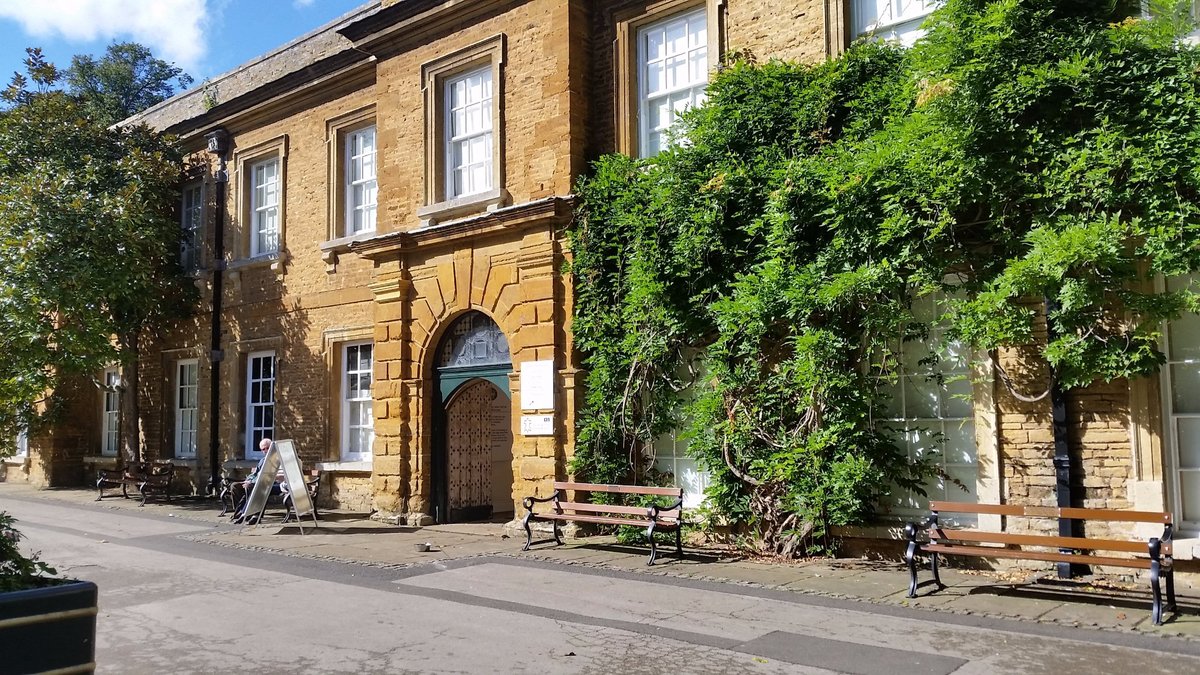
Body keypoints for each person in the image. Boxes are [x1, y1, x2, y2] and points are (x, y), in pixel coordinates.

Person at [230, 438, 284, 523]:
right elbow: (255, 474)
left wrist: (251, 482)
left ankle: (249, 514)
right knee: (235, 486)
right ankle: (239, 511)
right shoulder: (262, 460)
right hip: (258, 482)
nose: (266, 450)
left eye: (267, 448)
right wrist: (249, 479)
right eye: (263, 449)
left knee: (251, 487)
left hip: (272, 484)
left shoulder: (278, 459)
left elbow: (274, 476)